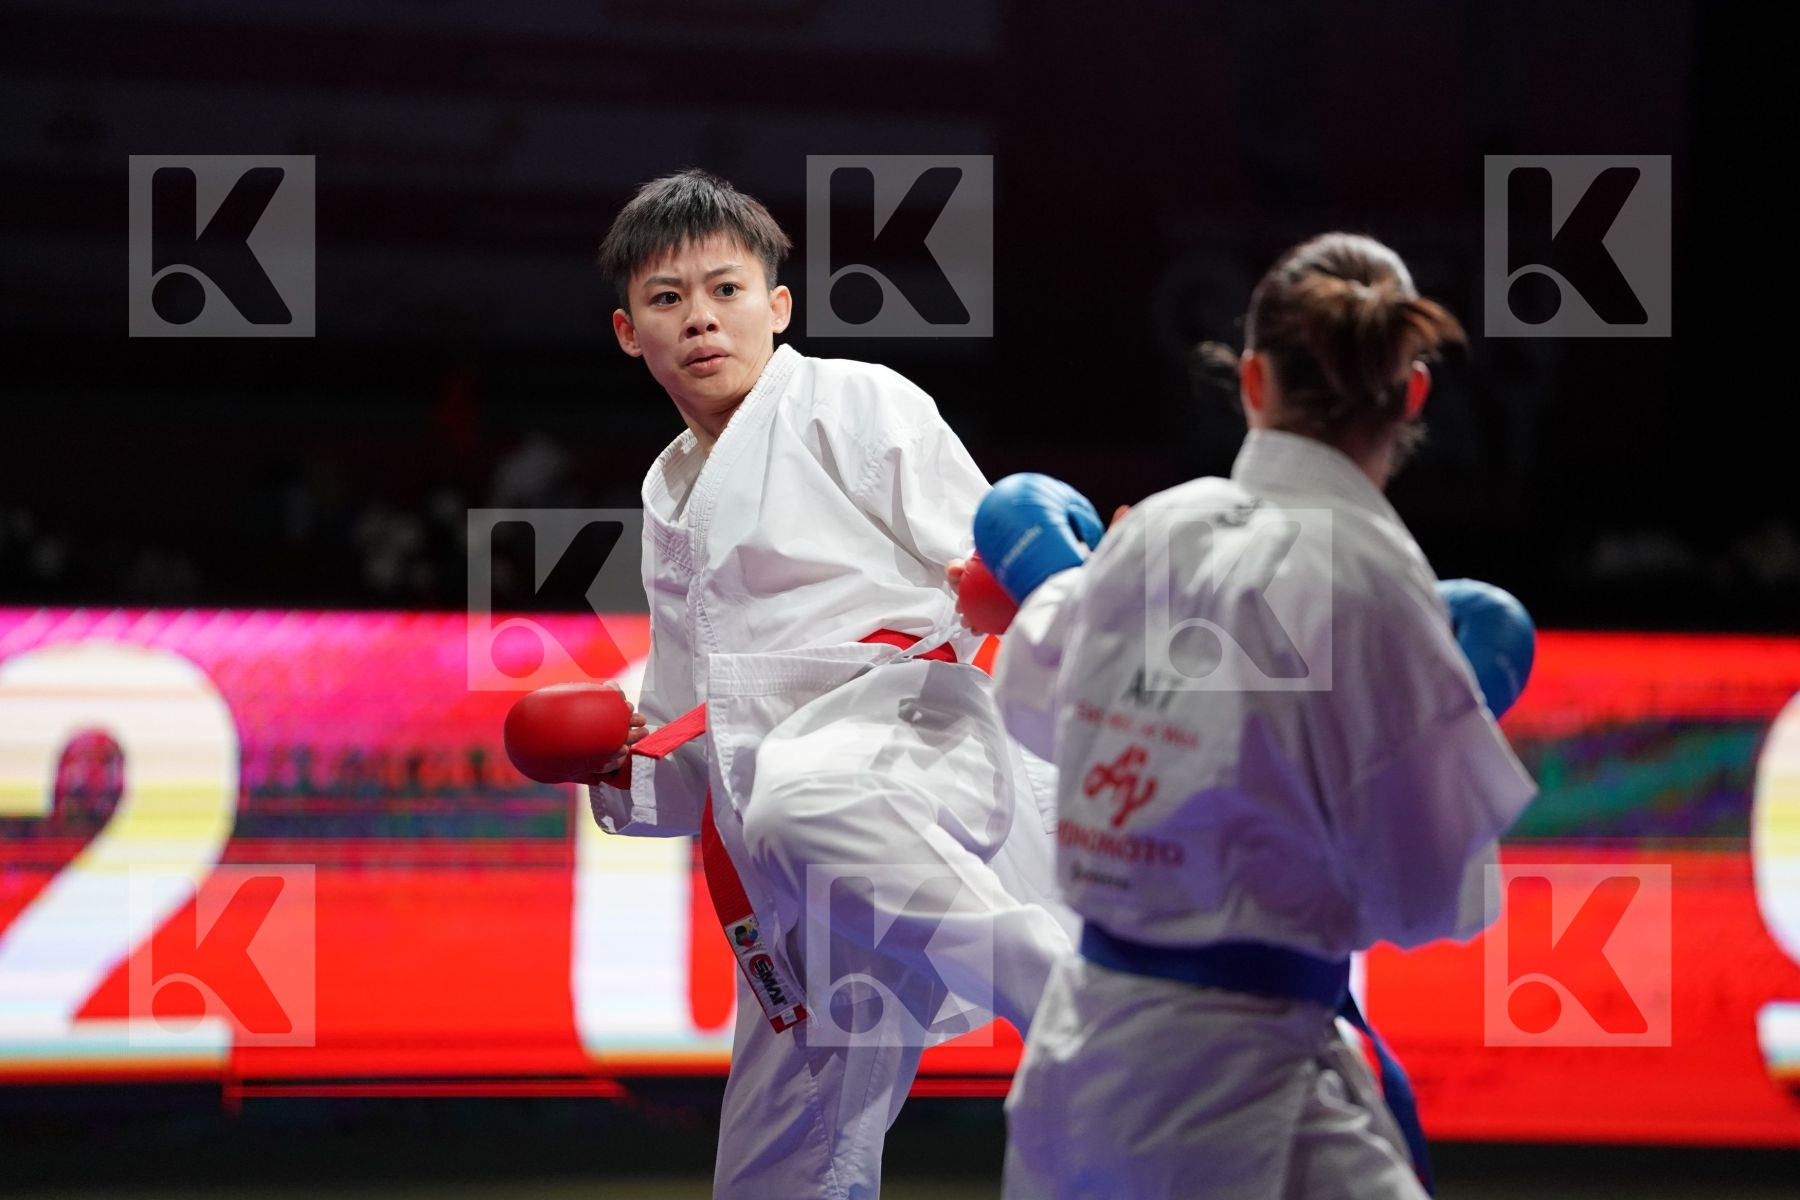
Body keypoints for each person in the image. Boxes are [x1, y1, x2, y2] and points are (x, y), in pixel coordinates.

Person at [965, 233, 1540, 1198]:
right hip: (1217, 1075)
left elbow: (1032, 704)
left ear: (1253, 383)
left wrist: (1047, 580)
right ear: (1412, 397)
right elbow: (1425, 897)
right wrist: (1461, 713)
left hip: (1118, 1047)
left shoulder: (1160, 528)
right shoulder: (1373, 581)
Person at [583, 169, 1074, 1199]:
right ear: (630, 332)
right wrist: (609, 763)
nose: (701, 319)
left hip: (908, 755)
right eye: (668, 300)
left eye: (725, 290)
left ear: (778, 308)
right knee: (780, 1161)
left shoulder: (855, 401)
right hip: (798, 862)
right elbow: (691, 730)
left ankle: (1067, 994)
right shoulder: (668, 494)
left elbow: (1001, 562)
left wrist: (1009, 596)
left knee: (808, 789)